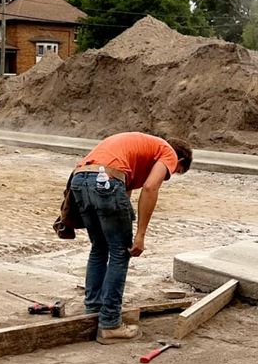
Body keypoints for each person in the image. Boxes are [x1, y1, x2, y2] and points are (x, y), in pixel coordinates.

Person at [70, 132, 193, 344]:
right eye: (174, 172)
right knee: (120, 252)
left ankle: (93, 309)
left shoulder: (139, 149)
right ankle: (110, 324)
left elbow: (122, 195)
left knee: (99, 247)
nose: (168, 174)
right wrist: (140, 235)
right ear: (179, 160)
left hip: (80, 179)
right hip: (106, 181)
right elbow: (150, 187)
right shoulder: (168, 152)